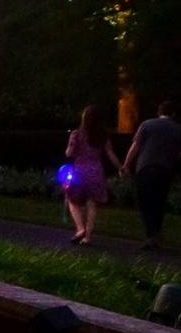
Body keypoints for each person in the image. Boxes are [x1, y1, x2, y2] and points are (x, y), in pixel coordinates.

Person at [121, 101, 181, 250]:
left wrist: (126, 164)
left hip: (145, 167)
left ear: (158, 112)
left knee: (145, 201)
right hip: (166, 169)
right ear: (173, 114)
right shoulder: (178, 129)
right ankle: (155, 234)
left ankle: (151, 234)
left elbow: (136, 146)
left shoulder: (147, 125)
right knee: (159, 202)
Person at [63, 106, 123, 245]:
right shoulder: (102, 136)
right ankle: (88, 237)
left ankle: (80, 228)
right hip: (96, 171)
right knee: (92, 203)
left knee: (72, 200)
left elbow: (69, 153)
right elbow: (110, 153)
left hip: (79, 171)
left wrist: (71, 146)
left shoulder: (77, 134)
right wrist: (121, 167)